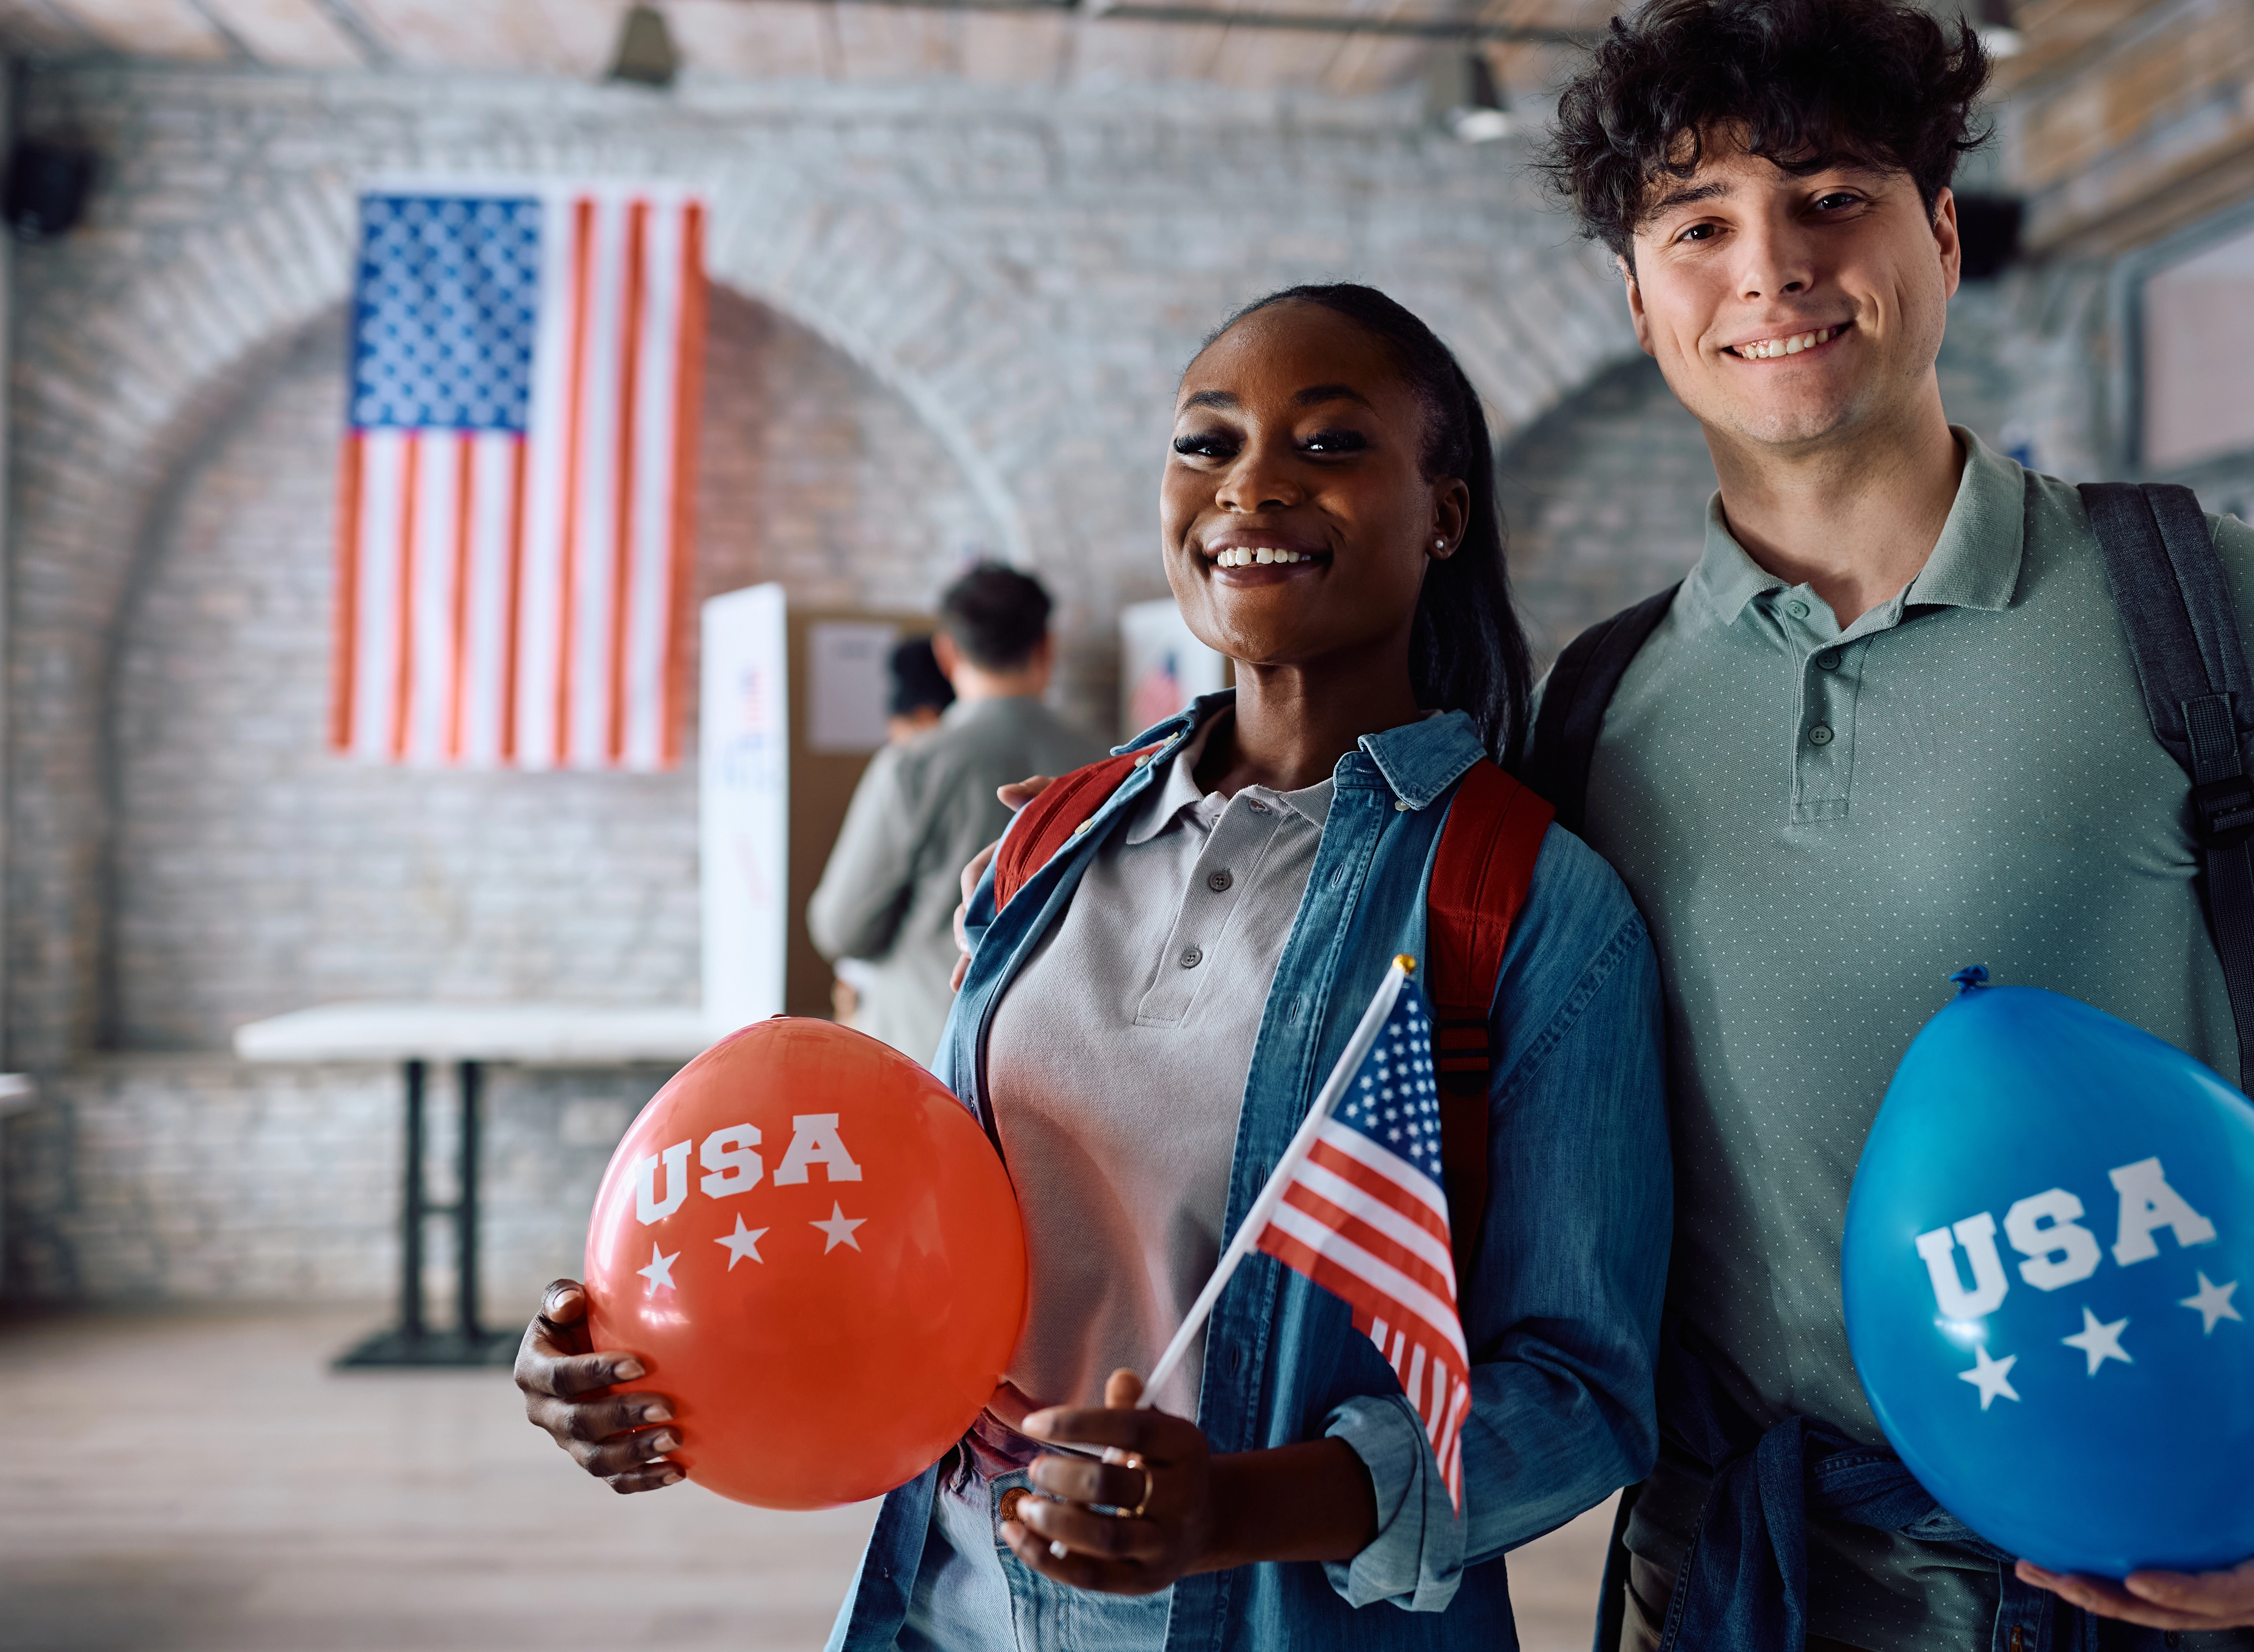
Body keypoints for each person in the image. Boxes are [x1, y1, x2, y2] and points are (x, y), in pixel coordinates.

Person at [1528, 0, 2254, 1648]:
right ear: (1637, 297)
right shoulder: (1595, 714)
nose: (1771, 266)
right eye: (1699, 224)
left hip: (2166, 1557)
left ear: (1942, 238)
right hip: (1745, 1577)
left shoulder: (2213, 611)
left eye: (1833, 199)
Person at [517, 284, 1673, 1651]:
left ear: (1444, 512)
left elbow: (1581, 1393)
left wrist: (1231, 1510)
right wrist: (648, 1350)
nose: (1251, 484)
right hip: (943, 1603)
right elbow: (917, 1237)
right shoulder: (1041, 848)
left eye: (1330, 443)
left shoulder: (1524, 901)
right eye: (1207, 442)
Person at [806, 565, 1100, 1056]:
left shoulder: (912, 766)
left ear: (947, 653)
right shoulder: (1109, 763)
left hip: (928, 1053)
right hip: (1061, 1055)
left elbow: (843, 927)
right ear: (1045, 646)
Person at [831, 636, 962, 1028]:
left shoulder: (910, 768)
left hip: (921, 1024)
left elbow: (843, 927)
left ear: (922, 716)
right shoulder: (1083, 754)